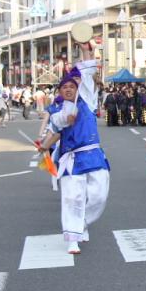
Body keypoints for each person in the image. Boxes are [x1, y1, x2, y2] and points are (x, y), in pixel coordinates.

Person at [46, 44, 110, 255]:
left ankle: (82, 221)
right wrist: (44, 146)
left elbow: (87, 74)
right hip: (71, 160)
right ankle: (73, 237)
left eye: (72, 86)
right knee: (72, 198)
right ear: (59, 92)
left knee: (99, 195)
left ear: (77, 89)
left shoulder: (89, 101)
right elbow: (56, 128)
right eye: (64, 88)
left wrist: (85, 51)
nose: (68, 89)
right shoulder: (57, 111)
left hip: (94, 156)